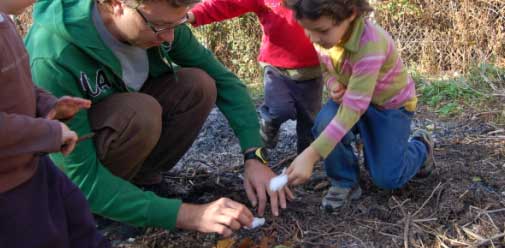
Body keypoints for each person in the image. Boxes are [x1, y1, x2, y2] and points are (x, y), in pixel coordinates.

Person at [25, 0, 293, 236]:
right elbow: (79, 178)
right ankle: (103, 213)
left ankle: (143, 185)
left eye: (175, 24)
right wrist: (190, 215)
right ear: (118, 4)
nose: (168, 38)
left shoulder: (162, 23)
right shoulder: (54, 56)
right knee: (141, 112)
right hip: (67, 180)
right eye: (159, 27)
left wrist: (254, 156)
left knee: (198, 84)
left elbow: (226, 82)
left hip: (121, 132)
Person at [283, 0, 434, 210]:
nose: (313, 38)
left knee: (388, 178)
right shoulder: (324, 38)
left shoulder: (370, 44)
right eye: (307, 30)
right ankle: (344, 181)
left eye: (321, 31)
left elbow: (353, 111)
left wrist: (311, 154)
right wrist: (333, 82)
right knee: (325, 122)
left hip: (388, 107)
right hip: (353, 99)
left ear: (351, 13)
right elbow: (326, 68)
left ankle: (421, 146)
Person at [0, 1, 109, 247]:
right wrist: (49, 133)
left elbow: (19, 84)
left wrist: (49, 105)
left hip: (34, 166)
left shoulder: (5, 20)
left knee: (78, 221)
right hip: (8, 189)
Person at [187, 0, 324, 154]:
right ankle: (268, 126)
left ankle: (305, 159)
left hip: (313, 70)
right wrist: (194, 14)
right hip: (276, 68)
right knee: (279, 110)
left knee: (310, 120)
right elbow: (229, 4)